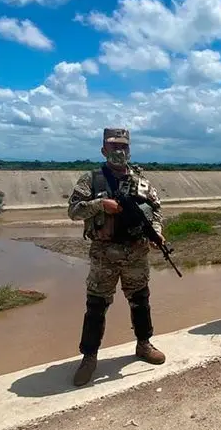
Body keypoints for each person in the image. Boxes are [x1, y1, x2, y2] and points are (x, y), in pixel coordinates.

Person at [66, 128, 167, 387]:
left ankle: (144, 344)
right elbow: (74, 211)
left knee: (140, 300)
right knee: (96, 306)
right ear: (104, 150)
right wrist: (101, 205)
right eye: (113, 147)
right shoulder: (91, 179)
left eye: (123, 146)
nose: (119, 151)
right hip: (104, 254)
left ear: (130, 150)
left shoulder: (141, 180)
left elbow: (155, 211)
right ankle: (89, 357)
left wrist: (157, 234)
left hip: (136, 252)